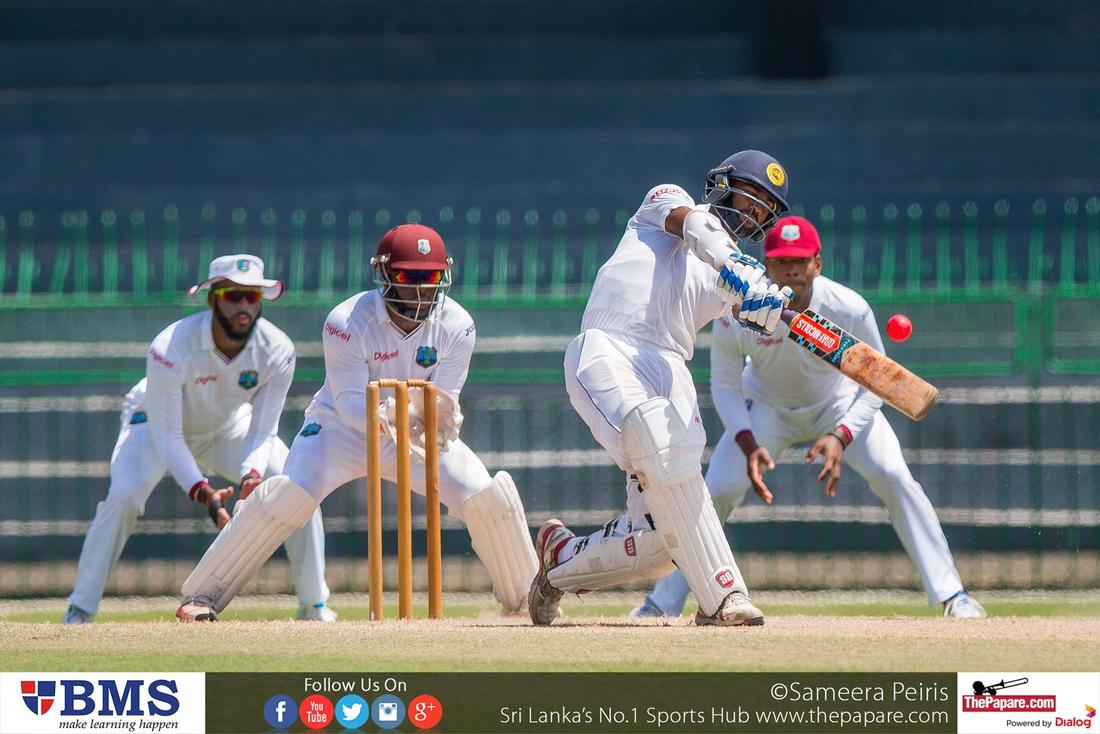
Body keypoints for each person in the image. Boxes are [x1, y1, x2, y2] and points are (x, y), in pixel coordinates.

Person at [175, 224, 540, 622]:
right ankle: (202, 596)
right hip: (339, 432)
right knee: (285, 496)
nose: (421, 289)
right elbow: (348, 402)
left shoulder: (458, 324)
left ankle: (525, 600)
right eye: (409, 276)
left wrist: (440, 418)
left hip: (414, 434)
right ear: (385, 274)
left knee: (485, 496)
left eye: (431, 277)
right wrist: (393, 415)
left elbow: (444, 398)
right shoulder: (347, 320)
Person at [630, 216, 988, 619]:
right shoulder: (738, 312)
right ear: (766, 266)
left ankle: (954, 595)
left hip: (839, 405)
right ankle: (660, 603)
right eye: (782, 261)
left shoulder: (848, 307)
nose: (793, 270)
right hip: (767, 410)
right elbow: (725, 384)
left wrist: (841, 435)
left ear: (817, 263)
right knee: (715, 492)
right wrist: (747, 441)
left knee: (894, 476)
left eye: (800, 260)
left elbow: (879, 383)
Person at [527, 150, 794, 626]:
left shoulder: (733, 275)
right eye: (748, 198)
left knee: (658, 543)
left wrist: (763, 307)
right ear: (722, 186)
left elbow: (743, 306)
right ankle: (723, 597)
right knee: (659, 444)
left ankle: (559, 560)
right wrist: (737, 265)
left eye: (763, 210)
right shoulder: (666, 202)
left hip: (671, 368)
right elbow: (695, 227)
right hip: (610, 346)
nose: (752, 213)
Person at [64, 254, 334, 624]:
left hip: (226, 427)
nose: (243, 306)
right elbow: (168, 435)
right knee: (125, 496)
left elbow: (263, 429)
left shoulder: (278, 349)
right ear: (212, 299)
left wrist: (252, 475)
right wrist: (203, 492)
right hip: (153, 425)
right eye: (232, 295)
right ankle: (80, 611)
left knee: (297, 487)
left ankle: (314, 606)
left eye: (252, 296)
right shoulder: (170, 346)